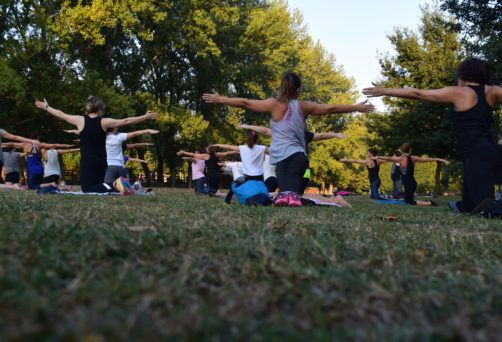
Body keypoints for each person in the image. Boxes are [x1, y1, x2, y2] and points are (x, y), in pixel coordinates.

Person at [203, 72, 374, 207]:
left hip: (289, 161)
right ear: (298, 90)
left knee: (289, 199)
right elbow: (330, 108)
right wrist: (355, 107)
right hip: (299, 161)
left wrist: (221, 99)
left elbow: (245, 103)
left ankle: (334, 201)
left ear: (282, 87)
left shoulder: (274, 104)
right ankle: (329, 200)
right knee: (290, 198)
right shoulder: (303, 106)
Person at [363, 57, 502, 213]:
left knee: (484, 208)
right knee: (470, 206)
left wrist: (385, 91)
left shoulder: (459, 92)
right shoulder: (493, 91)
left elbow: (418, 94)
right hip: (489, 152)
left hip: (475, 155)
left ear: (464, 74)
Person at [35, 96, 158, 193]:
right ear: (99, 109)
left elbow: (60, 114)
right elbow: (126, 121)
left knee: (87, 189)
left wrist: (46, 107)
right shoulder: (105, 122)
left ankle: (117, 184)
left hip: (88, 162)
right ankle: (124, 186)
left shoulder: (79, 120)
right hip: (101, 162)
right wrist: (145, 117)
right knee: (99, 187)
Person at [239, 124, 347, 194]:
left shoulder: (298, 134)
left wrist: (335, 134)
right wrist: (248, 127)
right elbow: (266, 131)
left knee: (301, 183)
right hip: (297, 165)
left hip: (299, 166)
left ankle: (296, 195)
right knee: (296, 187)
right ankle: (293, 194)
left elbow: (321, 135)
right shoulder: (294, 133)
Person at [375, 143, 447, 206]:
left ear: (402, 150)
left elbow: (388, 158)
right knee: (407, 200)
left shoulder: (400, 159)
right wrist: (439, 159)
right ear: (410, 150)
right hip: (411, 182)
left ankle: (429, 203)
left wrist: (377, 157)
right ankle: (426, 202)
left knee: (409, 202)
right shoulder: (413, 158)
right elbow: (426, 159)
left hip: (409, 183)